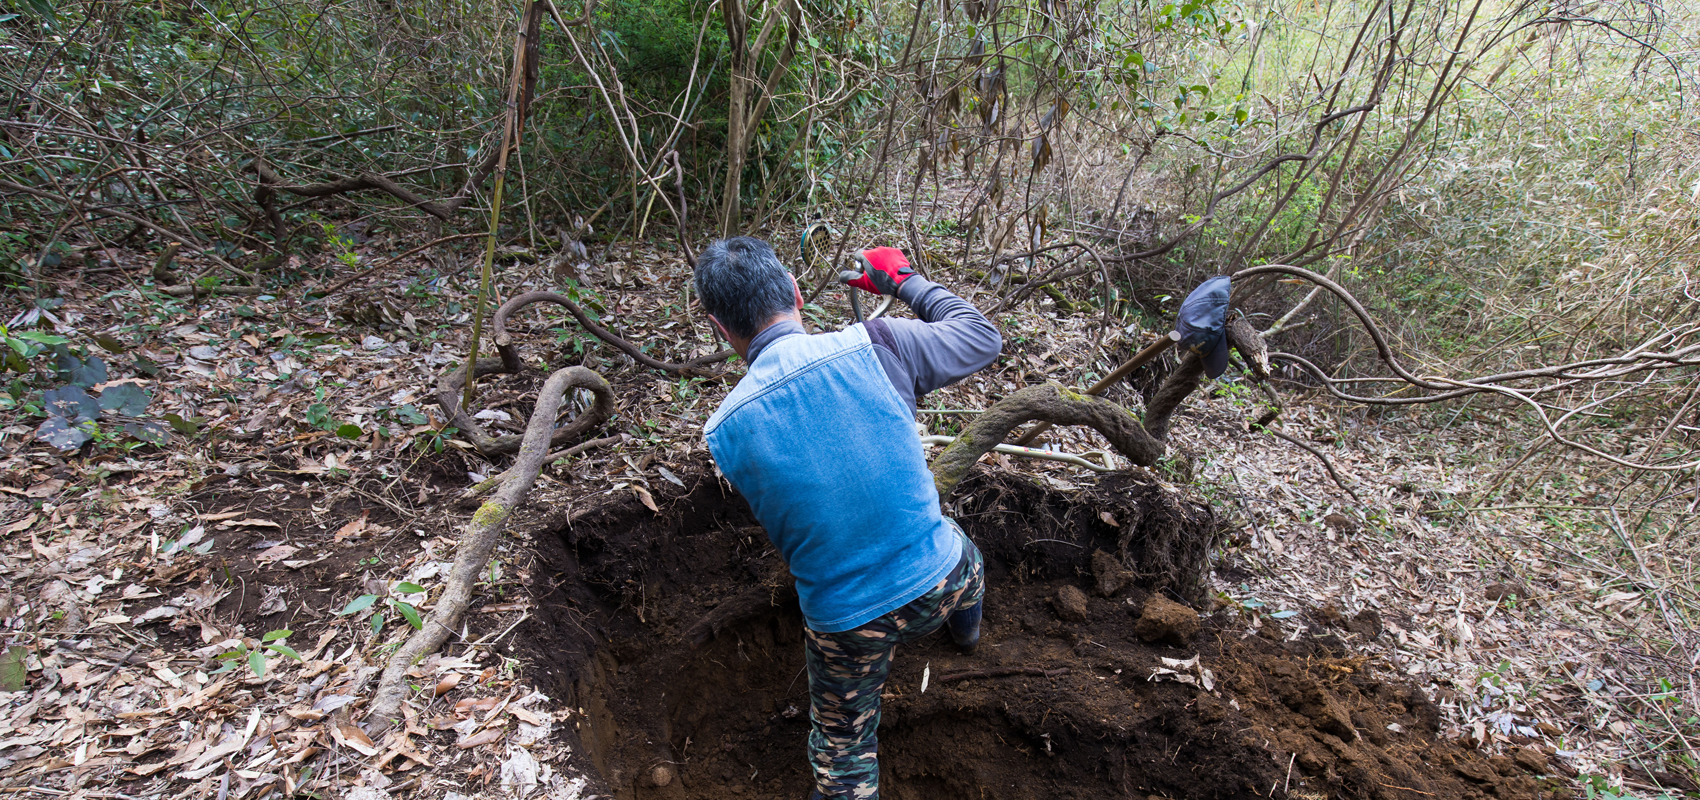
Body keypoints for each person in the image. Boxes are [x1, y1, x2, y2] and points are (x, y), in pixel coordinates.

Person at [695, 237, 1002, 799]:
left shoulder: (724, 430)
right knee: (964, 551)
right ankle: (968, 629)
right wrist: (902, 280)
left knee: (842, 746)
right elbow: (983, 338)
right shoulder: (879, 344)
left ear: (720, 327)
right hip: (942, 578)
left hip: (847, 624)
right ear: (795, 293)